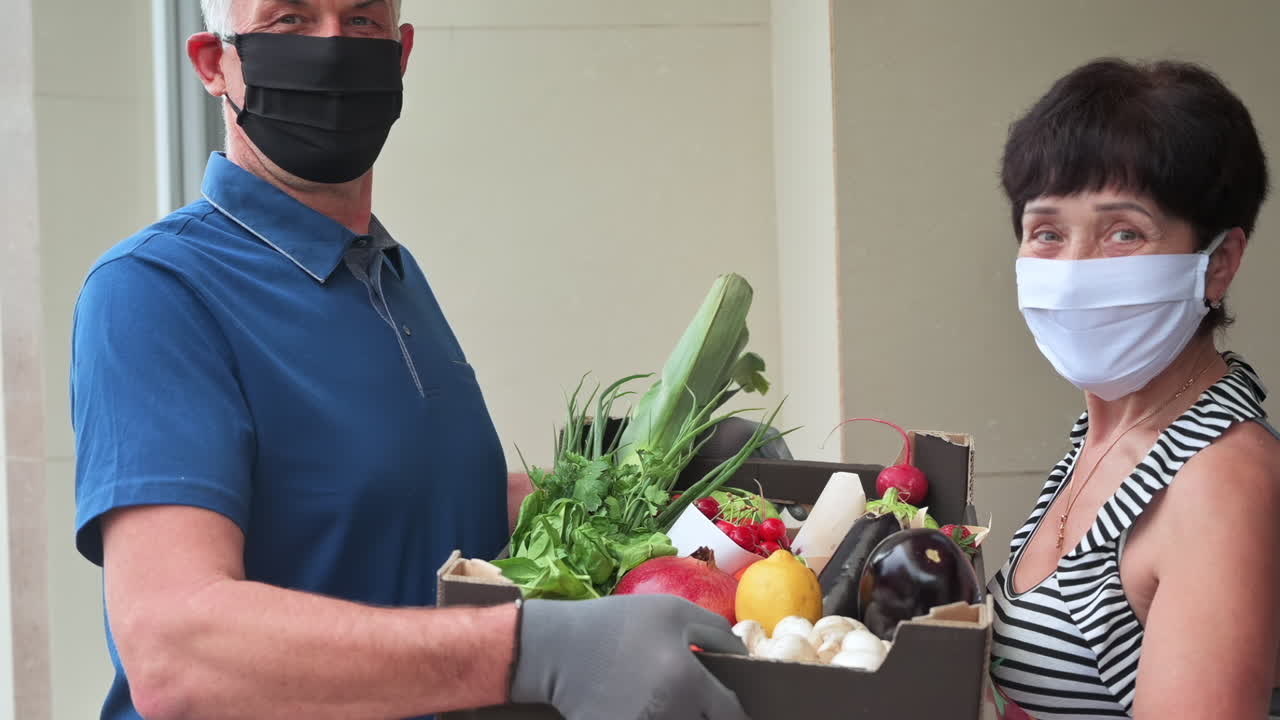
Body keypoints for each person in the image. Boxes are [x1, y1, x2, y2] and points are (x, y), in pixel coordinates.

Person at [69, 1, 748, 718]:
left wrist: (662, 484)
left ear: (400, 56)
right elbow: (177, 649)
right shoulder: (155, 291)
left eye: (362, 20)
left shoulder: (388, 272)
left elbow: (428, 504)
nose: (331, 48)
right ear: (214, 63)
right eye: (290, 20)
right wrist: (528, 652)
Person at [988, 58, 1279, 719]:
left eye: (1124, 232)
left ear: (1220, 263)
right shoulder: (1106, 434)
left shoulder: (1218, 483)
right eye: (1047, 233)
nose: (1073, 273)